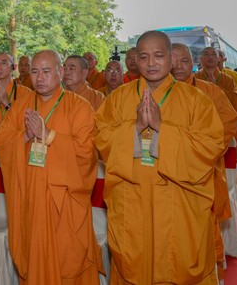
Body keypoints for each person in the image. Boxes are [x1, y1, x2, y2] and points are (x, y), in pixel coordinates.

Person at [95, 31, 224, 284]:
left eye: (158, 56)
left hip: (179, 203)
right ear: (135, 60)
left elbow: (211, 146)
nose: (151, 63)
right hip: (133, 202)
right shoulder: (118, 98)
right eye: (144, 57)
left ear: (171, 58)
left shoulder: (196, 100)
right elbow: (101, 139)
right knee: (134, 265)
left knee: (177, 262)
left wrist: (162, 128)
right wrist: (134, 128)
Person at [0, 50, 100, 284]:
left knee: (66, 262)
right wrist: (25, 136)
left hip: (63, 202)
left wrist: (49, 135)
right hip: (29, 197)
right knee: (33, 257)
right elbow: (3, 138)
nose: (40, 77)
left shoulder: (79, 107)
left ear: (60, 72)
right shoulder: (22, 105)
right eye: (35, 72)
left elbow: (87, 152)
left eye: (46, 71)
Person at [171, 43, 237, 276]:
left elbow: (229, 122)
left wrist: (201, 152)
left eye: (184, 61)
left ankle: (208, 272)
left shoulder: (210, 90)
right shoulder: (157, 92)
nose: (178, 67)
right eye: (173, 61)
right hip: (166, 174)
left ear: (193, 63)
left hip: (203, 171)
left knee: (202, 229)